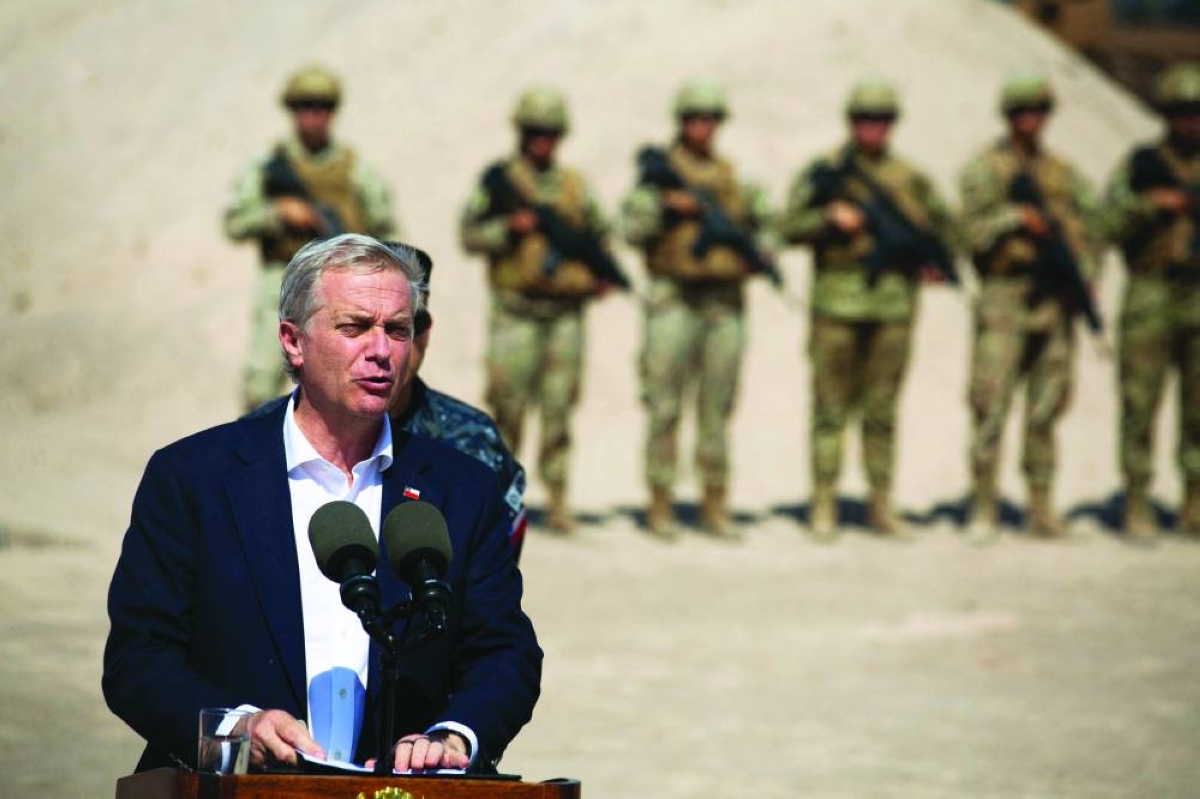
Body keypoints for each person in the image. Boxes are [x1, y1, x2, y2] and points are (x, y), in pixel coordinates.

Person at [103, 235, 541, 775]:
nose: (381, 351)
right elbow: (138, 659)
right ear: (293, 341)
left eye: (398, 330)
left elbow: (505, 652)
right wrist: (237, 727)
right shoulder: (193, 478)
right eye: (354, 327)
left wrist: (455, 736)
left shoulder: (463, 488)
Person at [779, 77, 956, 542]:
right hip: (835, 304)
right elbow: (787, 225)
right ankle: (824, 503)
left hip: (892, 306)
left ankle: (881, 504)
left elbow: (945, 230)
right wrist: (827, 219)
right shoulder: (826, 171)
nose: (872, 128)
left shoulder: (912, 179)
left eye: (881, 120)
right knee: (830, 410)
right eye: (864, 119)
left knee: (882, 412)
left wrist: (934, 263)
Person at [621, 80, 776, 540]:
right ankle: (661, 503)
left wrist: (760, 254)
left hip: (723, 304)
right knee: (665, 405)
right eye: (694, 119)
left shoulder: (736, 178)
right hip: (673, 299)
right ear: (682, 123)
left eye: (710, 119)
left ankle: (714, 503)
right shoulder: (659, 176)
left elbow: (770, 224)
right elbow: (630, 227)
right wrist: (667, 207)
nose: (702, 127)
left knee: (717, 407)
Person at [459, 87, 614, 534]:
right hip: (515, 312)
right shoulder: (500, 182)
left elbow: (601, 235)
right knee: (507, 407)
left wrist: (598, 275)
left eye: (549, 133)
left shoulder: (575, 187)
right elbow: (470, 235)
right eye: (534, 132)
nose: (542, 140)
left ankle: (558, 501)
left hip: (565, 315)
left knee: (560, 409)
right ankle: (497, 502)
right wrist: (509, 228)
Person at [958, 71, 1100, 543]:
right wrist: (1015, 218)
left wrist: (1088, 275)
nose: (1030, 120)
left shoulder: (1063, 173)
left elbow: (1092, 225)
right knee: (990, 405)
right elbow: (966, 232)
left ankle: (1040, 507)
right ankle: (983, 506)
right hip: (1004, 295)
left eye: (1038, 111)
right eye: (1022, 112)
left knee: (1045, 408)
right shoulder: (985, 169)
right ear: (1009, 117)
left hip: (1054, 300)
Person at [224, 65, 397, 413]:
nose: (314, 117)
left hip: (341, 285)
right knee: (261, 383)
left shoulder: (355, 169)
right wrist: (278, 214)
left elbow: (388, 230)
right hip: (282, 280)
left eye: (322, 108)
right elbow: (235, 222)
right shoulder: (268, 164)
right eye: (305, 107)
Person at [1103, 61, 1200, 542]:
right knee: (1140, 402)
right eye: (1181, 111)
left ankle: (1194, 501)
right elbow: (1107, 224)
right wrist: (1151, 205)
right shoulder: (1142, 164)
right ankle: (1137, 499)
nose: (1190, 121)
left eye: (1196, 111)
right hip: (1151, 292)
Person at [387, 247, 530, 558]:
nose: (383, 348)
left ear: (425, 333)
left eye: (405, 326)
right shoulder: (272, 445)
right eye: (356, 325)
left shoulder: (473, 441)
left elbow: (494, 575)